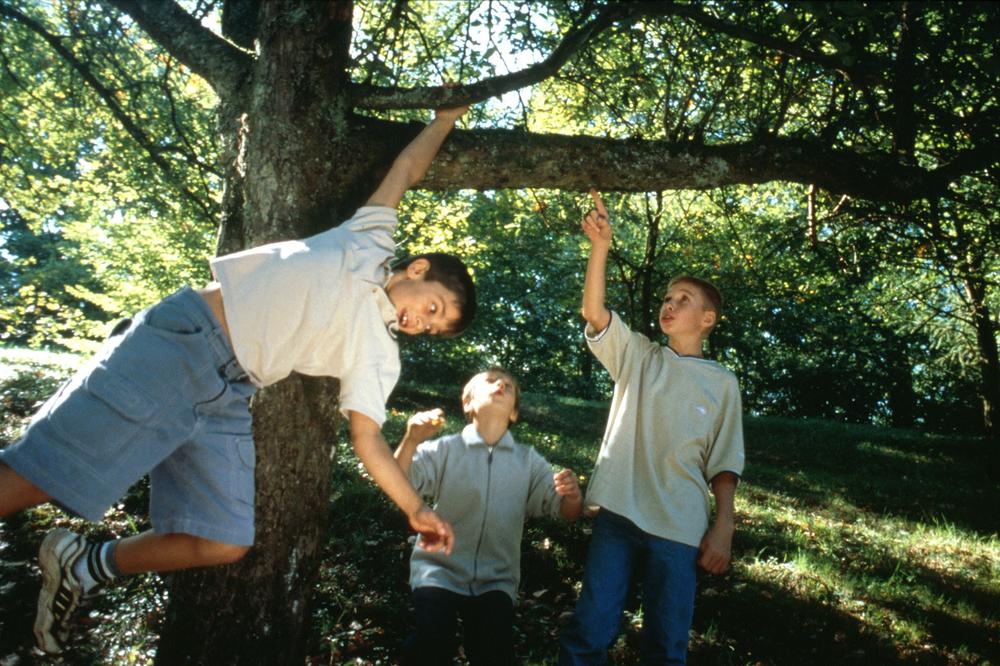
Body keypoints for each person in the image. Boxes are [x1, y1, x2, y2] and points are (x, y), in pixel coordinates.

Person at [0, 101, 475, 655]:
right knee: (41, 475)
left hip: (228, 392)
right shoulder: (367, 243)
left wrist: (414, 508)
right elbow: (405, 171)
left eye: (435, 329)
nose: (424, 325)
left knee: (223, 539)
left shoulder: (381, 355)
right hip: (184, 342)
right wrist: (444, 119)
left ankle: (86, 564)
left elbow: (367, 436)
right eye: (435, 307)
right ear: (417, 270)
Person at [558, 191, 745, 665]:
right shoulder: (640, 355)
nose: (670, 304)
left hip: (679, 527)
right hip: (618, 515)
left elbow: (724, 464)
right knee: (589, 632)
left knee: (666, 645)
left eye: (684, 300)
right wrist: (600, 246)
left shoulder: (723, 384)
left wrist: (723, 527)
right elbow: (595, 315)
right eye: (666, 297)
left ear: (707, 320)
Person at [394, 368, 583, 666]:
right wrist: (411, 439)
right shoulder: (445, 449)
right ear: (468, 403)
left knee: (494, 653)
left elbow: (566, 512)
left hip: (497, 580)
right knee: (433, 640)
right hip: (438, 570)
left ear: (514, 414)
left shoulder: (528, 461)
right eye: (491, 381)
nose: (500, 385)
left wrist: (573, 496)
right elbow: (398, 480)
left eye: (509, 385)